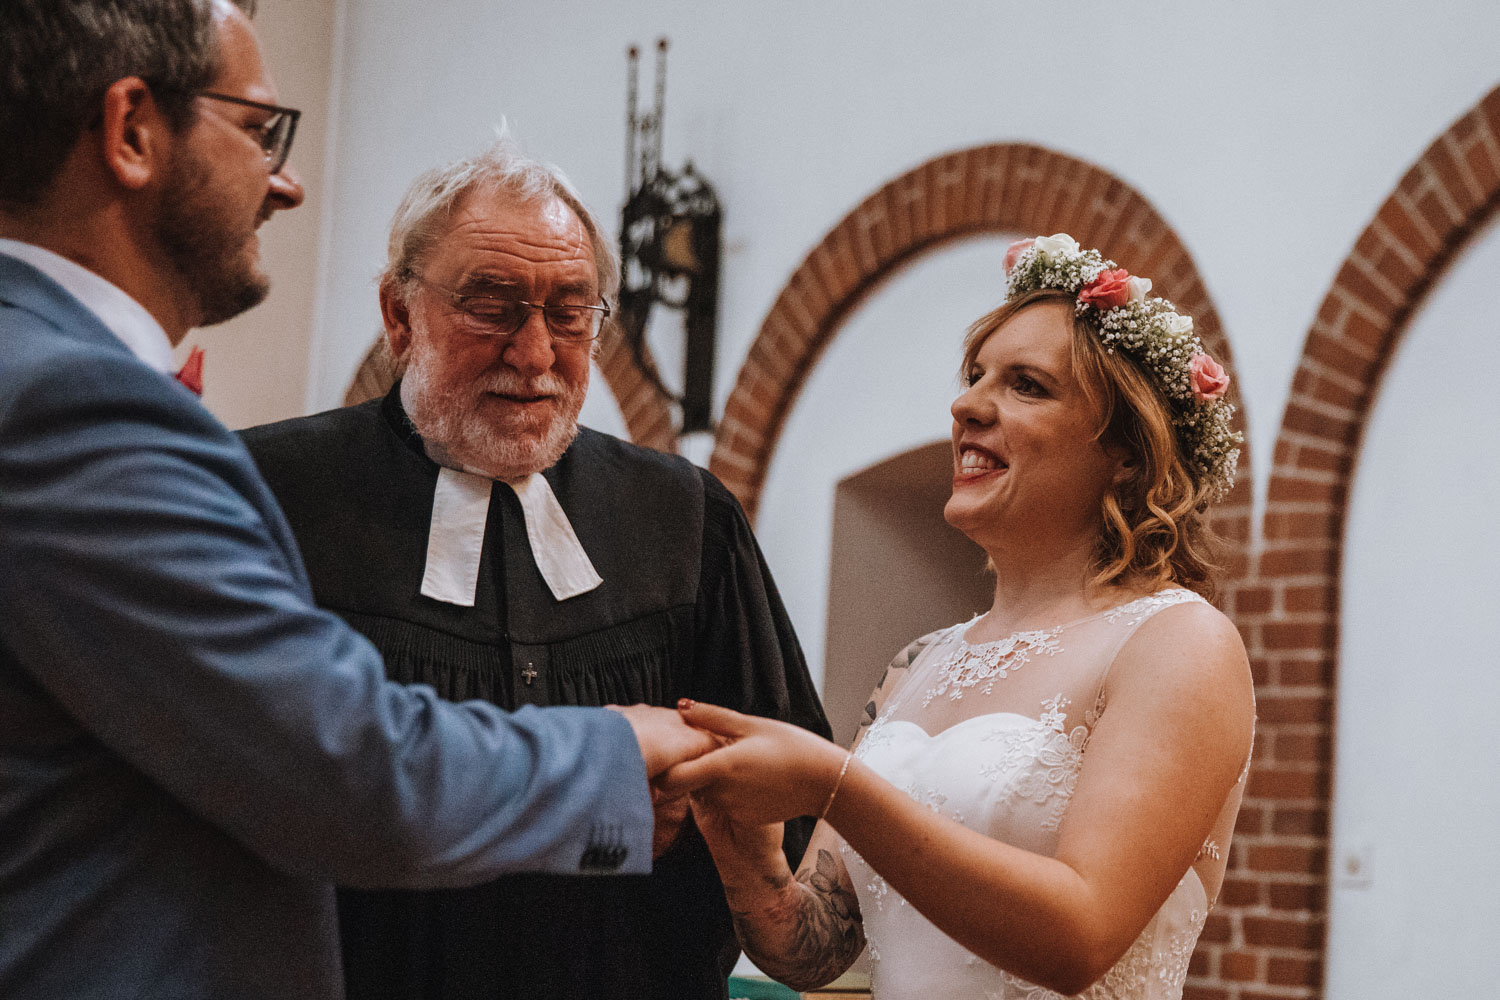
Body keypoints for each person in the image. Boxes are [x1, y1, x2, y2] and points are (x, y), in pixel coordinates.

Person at [0, 3, 713, 998]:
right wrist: (616, 753)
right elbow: (341, 770)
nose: (285, 182)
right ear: (130, 131)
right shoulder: (75, 403)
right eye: (259, 130)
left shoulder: (37, 370)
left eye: (569, 311)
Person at [238, 139, 830, 1000]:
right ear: (400, 315)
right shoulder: (268, 494)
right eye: (492, 307)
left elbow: (789, 813)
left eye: (570, 312)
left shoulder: (685, 518)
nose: (535, 353)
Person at [663, 233, 1256, 999]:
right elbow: (817, 951)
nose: (967, 405)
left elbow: (1082, 938)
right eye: (976, 376)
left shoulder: (1178, 642)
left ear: (1127, 454)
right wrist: (746, 853)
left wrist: (835, 788)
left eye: (1027, 386)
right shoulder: (918, 664)